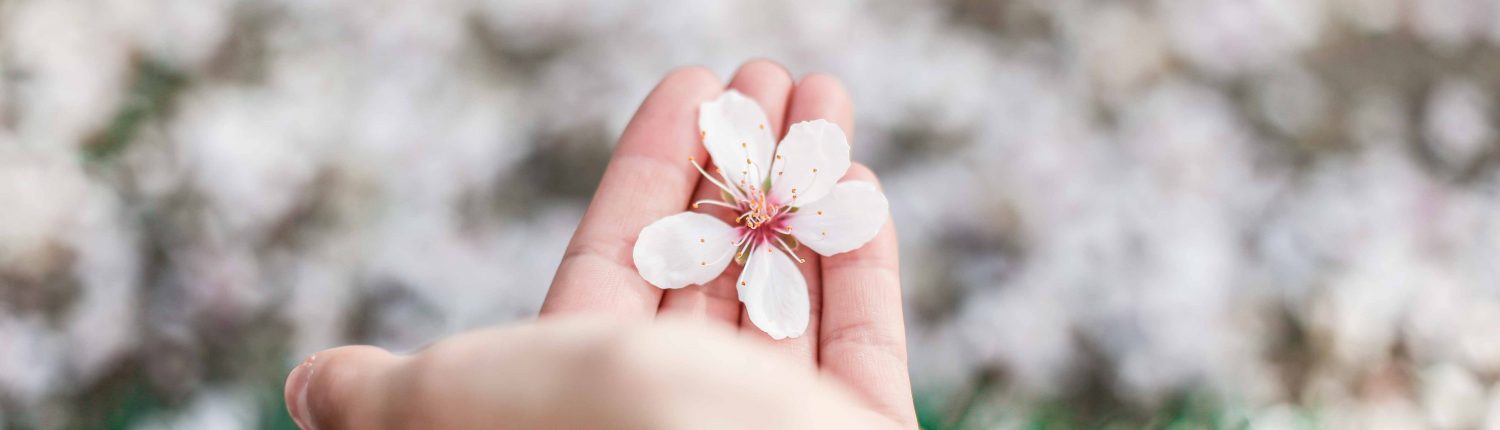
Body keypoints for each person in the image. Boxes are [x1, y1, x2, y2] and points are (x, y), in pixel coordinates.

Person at [282, 61, 915, 429]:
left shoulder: (797, 223)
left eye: (766, 208)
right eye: (757, 202)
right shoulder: (728, 210)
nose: (759, 209)